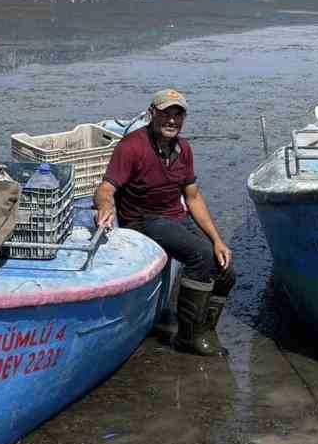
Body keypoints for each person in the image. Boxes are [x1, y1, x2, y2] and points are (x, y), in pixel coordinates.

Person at [95, 88, 236, 357]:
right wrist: (105, 206)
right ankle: (187, 336)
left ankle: (205, 329)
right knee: (200, 256)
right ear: (151, 114)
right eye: (165, 114)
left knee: (225, 266)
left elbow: (192, 197)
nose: (172, 120)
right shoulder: (132, 146)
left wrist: (218, 240)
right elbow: (106, 187)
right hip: (143, 220)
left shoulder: (183, 148)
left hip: (175, 217)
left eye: (177, 115)